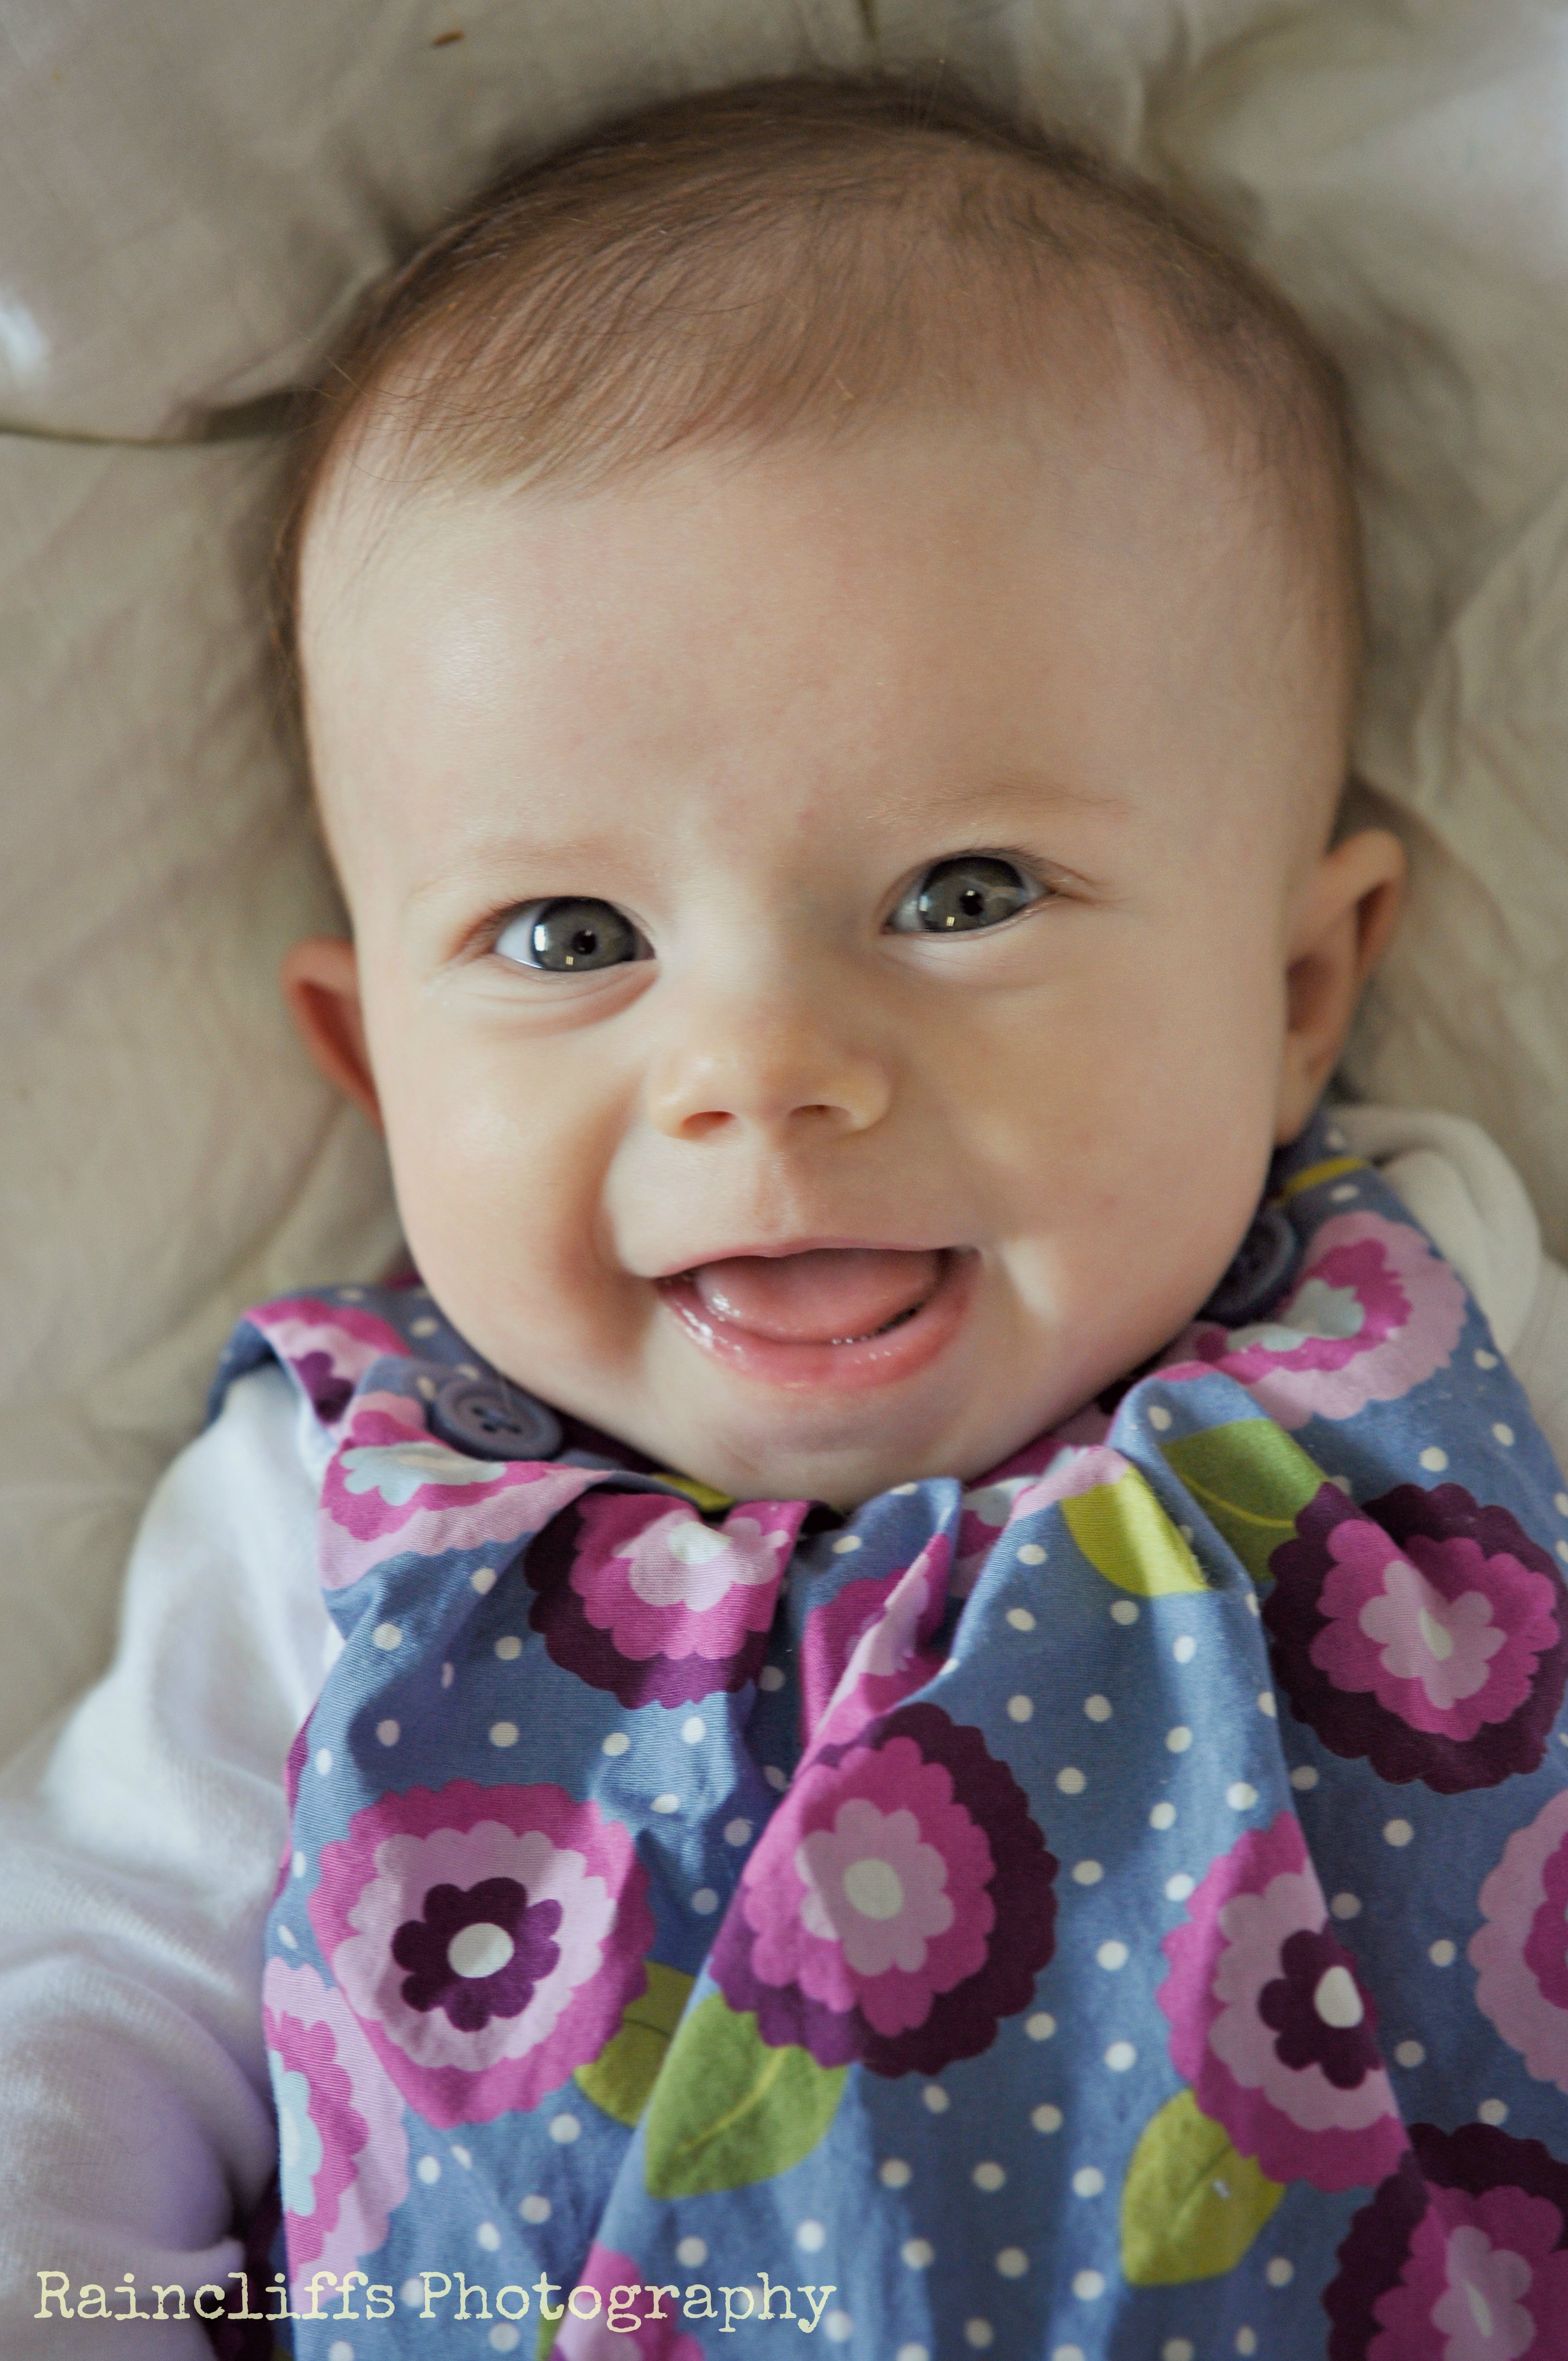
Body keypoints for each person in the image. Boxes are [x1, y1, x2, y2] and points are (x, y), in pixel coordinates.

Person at [4, 70, 1568, 2360]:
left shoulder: (1433, 1347)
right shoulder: (333, 1515)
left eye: (963, 892)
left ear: (1298, 989)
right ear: (373, 1063)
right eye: (568, 938)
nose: (758, 1068)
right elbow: (97, 1990)